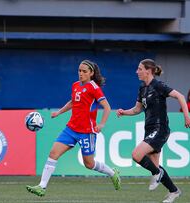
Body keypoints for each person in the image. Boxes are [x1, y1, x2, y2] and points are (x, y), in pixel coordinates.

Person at [26, 59, 121, 197]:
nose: (80, 74)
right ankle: (42, 186)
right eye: (79, 71)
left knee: (89, 164)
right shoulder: (75, 85)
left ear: (91, 73)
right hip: (71, 129)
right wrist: (59, 112)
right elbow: (72, 102)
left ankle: (113, 173)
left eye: (84, 71)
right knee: (53, 153)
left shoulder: (94, 88)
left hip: (87, 132)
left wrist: (101, 124)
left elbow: (107, 107)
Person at [116, 59, 190, 203]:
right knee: (155, 165)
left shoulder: (158, 85)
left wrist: (187, 116)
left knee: (136, 154)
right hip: (149, 129)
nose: (137, 71)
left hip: (160, 128)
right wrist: (124, 112)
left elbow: (180, 96)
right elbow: (137, 109)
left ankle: (157, 173)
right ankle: (174, 191)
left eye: (139, 69)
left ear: (148, 70)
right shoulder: (142, 88)